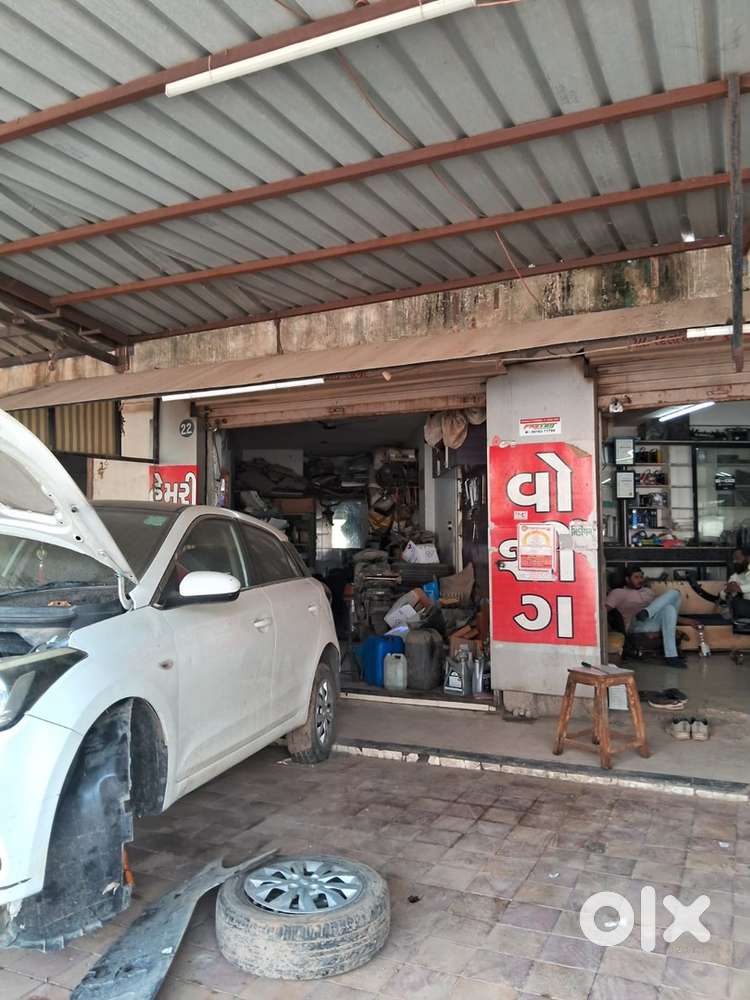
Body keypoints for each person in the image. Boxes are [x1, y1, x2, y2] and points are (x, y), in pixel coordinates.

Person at [606, 566, 686, 667]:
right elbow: (603, 611)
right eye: (636, 577)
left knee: (673, 598)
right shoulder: (618, 593)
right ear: (627, 579)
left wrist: (687, 621)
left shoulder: (648, 592)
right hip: (635, 624)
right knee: (670, 601)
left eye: (641, 577)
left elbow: (661, 606)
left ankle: (671, 657)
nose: (640, 580)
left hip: (651, 621)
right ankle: (646, 613)